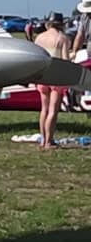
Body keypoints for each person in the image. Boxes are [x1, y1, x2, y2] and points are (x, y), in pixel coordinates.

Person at [34, 11, 73, 150]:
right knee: (53, 110)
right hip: (57, 77)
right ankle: (49, 142)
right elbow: (65, 61)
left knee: (44, 109)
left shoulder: (39, 38)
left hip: (43, 76)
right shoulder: (63, 38)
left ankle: (43, 140)